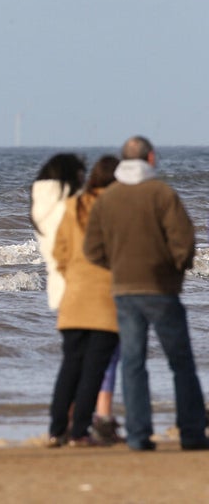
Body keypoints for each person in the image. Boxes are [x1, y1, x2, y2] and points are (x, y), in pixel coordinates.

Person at [84, 136, 209, 452]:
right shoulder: (162, 193)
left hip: (125, 289)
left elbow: (92, 249)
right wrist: (177, 269)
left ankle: (139, 436)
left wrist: (117, 266)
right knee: (180, 362)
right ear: (150, 158)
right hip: (162, 289)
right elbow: (184, 240)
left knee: (133, 363)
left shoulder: (108, 198)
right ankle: (192, 432)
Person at [47, 155, 120, 447]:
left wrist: (74, 276)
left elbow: (59, 253)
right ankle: (79, 431)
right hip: (106, 299)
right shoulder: (117, 208)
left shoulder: (73, 205)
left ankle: (56, 430)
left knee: (70, 366)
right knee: (94, 369)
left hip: (74, 298)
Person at [30, 153, 86, 311]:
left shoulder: (40, 203)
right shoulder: (72, 205)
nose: (84, 180)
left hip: (60, 292)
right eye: (81, 175)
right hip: (85, 290)